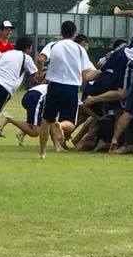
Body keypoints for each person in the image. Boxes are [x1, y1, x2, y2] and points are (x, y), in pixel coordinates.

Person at [38, 21, 97, 159]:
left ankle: (42, 152)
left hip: (54, 85)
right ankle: (60, 125)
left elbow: (40, 59)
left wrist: (39, 73)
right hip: (71, 88)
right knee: (70, 123)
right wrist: (100, 72)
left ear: (61, 32)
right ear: (74, 33)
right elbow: (86, 74)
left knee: (46, 120)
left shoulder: (53, 45)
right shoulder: (80, 49)